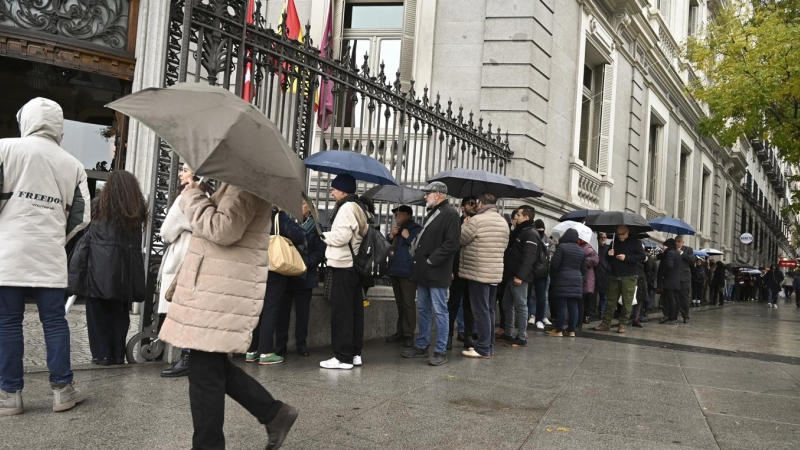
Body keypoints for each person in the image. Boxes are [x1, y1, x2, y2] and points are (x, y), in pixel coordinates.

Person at [158, 179, 298, 449]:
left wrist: (193, 196)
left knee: (204, 370)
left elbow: (223, 229)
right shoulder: (237, 182)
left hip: (220, 288)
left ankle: (212, 443)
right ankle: (274, 413)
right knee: (209, 366)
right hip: (217, 286)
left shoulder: (245, 183)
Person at [0, 98, 91, 416]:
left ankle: (9, 395)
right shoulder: (73, 164)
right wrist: (55, 237)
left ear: (25, 120)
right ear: (58, 126)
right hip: (49, 256)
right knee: (54, 322)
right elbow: (81, 217)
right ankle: (63, 391)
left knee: (7, 322)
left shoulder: (4, 149)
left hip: (8, 254)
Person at [68, 171, 147, 367]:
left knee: (97, 314)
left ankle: (102, 356)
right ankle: (118, 355)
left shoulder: (98, 206)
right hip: (126, 272)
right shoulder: (137, 210)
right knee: (120, 315)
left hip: (99, 268)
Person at [403, 182, 460, 365]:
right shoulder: (433, 213)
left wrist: (431, 259)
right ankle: (422, 346)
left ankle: (440, 351)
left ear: (437, 194)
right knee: (423, 310)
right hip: (424, 271)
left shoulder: (450, 213)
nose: (425, 197)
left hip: (436, 271)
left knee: (440, 311)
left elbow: (452, 243)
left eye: (427, 194)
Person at [319, 174, 368, 370]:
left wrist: (323, 235)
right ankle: (355, 353)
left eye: (334, 188)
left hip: (343, 265)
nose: (332, 191)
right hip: (353, 266)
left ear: (343, 190)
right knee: (354, 311)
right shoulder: (358, 206)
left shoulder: (347, 208)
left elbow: (341, 236)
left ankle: (343, 357)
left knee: (342, 313)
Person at [246, 207, 305, 365]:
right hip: (274, 268)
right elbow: (299, 237)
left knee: (257, 308)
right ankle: (265, 352)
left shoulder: (255, 214)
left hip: (256, 265)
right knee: (270, 309)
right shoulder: (279, 216)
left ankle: (251, 350)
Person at [158, 164, 201, 377]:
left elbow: (165, 232)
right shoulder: (207, 196)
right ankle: (191, 356)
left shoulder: (185, 197)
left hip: (183, 258)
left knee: (183, 311)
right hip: (198, 259)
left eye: (185, 169)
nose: (180, 173)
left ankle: (187, 357)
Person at [459, 193, 510, 359]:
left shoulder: (476, 221)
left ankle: (482, 348)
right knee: (489, 310)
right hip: (495, 273)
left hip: (478, 271)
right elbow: (504, 245)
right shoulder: (503, 221)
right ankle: (490, 345)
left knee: (480, 311)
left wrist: (464, 225)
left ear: (481, 204)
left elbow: (461, 240)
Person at [276, 199, 327, 357]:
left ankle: (301, 344)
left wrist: (306, 263)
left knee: (303, 314)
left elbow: (320, 249)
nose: (299, 206)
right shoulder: (286, 222)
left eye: (303, 204)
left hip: (305, 275)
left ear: (310, 208)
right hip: (286, 274)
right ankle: (280, 345)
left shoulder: (316, 227)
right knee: (282, 313)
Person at [592, 225, 646, 333]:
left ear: (627, 232)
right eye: (618, 234)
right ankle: (606, 323)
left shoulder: (636, 242)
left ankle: (622, 324)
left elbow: (642, 256)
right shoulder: (614, 242)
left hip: (629, 275)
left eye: (622, 234)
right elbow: (607, 258)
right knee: (611, 301)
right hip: (615, 275)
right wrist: (609, 254)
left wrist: (626, 258)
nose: (620, 236)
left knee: (627, 302)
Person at [498, 206, 539, 347]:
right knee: (506, 303)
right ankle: (508, 333)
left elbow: (529, 257)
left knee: (521, 306)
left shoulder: (531, 233)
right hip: (511, 274)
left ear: (526, 217)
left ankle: (521, 337)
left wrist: (520, 276)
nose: (516, 217)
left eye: (519, 215)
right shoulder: (520, 231)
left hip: (520, 277)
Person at [385, 205, 422, 348]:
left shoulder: (415, 229)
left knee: (408, 304)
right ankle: (400, 331)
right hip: (395, 270)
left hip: (407, 271)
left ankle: (408, 334)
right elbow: (386, 246)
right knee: (400, 304)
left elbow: (417, 247)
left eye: (397, 214)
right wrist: (391, 236)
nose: (395, 217)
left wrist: (408, 237)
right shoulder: (397, 230)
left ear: (406, 214)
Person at [448, 196, 478, 349]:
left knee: (469, 306)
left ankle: (468, 336)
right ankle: (447, 337)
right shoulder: (456, 222)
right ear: (462, 207)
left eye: (475, 203)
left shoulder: (478, 223)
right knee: (453, 304)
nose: (473, 206)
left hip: (472, 270)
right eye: (470, 204)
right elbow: (451, 246)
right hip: (457, 269)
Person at [547, 229, 588, 337]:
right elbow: (584, 269)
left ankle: (559, 330)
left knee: (561, 306)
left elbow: (554, 265)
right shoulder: (581, 251)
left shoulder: (562, 247)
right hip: (576, 281)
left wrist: (554, 277)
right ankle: (571, 330)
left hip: (562, 279)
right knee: (573, 306)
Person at [657, 239, 681, 325]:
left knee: (670, 299)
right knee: (673, 299)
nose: (663, 247)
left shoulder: (670, 253)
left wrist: (663, 274)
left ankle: (672, 318)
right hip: (675, 280)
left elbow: (669, 266)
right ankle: (672, 317)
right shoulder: (676, 253)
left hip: (669, 280)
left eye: (664, 245)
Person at [578, 236, 599, 329]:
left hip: (586, 277)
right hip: (580, 276)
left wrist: (583, 260)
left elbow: (595, 260)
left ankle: (584, 317)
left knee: (584, 299)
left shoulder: (588, 248)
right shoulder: (578, 246)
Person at [674, 236, 696, 322]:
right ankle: (673, 315)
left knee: (684, 298)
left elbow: (692, 259)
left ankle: (685, 315)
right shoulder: (673, 249)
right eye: (676, 241)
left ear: (683, 242)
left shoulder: (688, 249)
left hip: (684, 278)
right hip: (674, 277)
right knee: (674, 298)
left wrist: (681, 253)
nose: (677, 243)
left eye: (679, 241)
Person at [593, 232, 610, 319]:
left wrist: (608, 268)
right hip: (595, 273)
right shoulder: (595, 247)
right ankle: (592, 310)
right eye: (601, 237)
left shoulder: (608, 248)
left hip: (604, 274)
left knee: (603, 295)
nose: (603, 239)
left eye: (604, 237)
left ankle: (602, 311)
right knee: (593, 293)